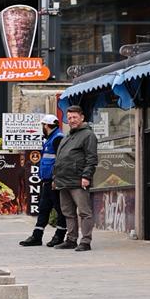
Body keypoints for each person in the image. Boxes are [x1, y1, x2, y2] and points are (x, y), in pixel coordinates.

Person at [52, 104, 98, 251]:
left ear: (82, 117)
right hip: (63, 181)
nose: (71, 120)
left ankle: (85, 241)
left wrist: (86, 176)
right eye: (69, 117)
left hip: (78, 181)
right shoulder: (68, 136)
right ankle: (71, 239)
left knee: (84, 212)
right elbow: (59, 159)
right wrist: (55, 178)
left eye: (75, 117)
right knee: (68, 212)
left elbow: (92, 158)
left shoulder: (88, 135)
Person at [20, 114, 67, 247]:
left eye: (43, 125)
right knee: (43, 208)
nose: (42, 128)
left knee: (59, 209)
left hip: (53, 181)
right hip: (47, 180)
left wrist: (55, 178)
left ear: (46, 125)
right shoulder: (51, 138)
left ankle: (60, 235)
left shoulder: (58, 138)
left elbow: (60, 161)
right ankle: (37, 236)